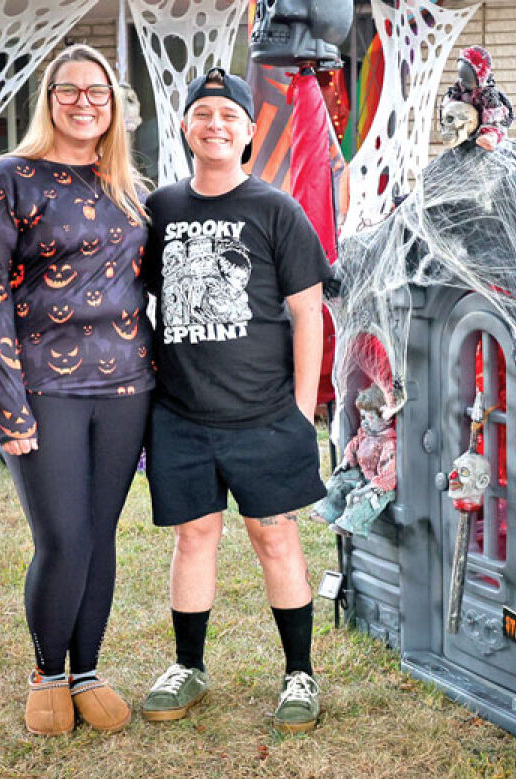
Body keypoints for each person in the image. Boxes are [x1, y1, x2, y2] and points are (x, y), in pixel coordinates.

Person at [0, 43, 153, 736]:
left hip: (127, 386)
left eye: (97, 93)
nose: (83, 103)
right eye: (68, 91)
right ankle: (47, 671)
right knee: (62, 536)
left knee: (100, 534)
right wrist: (8, 407)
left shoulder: (128, 186)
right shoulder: (7, 177)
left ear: (114, 107)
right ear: (49, 100)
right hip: (44, 387)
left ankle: (88, 669)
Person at [139, 66, 330, 734]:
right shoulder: (158, 210)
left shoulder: (276, 209)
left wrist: (302, 412)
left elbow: (309, 313)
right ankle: (188, 665)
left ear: (248, 134)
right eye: (203, 114)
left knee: (274, 534)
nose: (215, 124)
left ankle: (299, 672)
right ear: (186, 127)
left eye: (230, 117)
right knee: (194, 537)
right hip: (182, 414)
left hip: (264, 413)